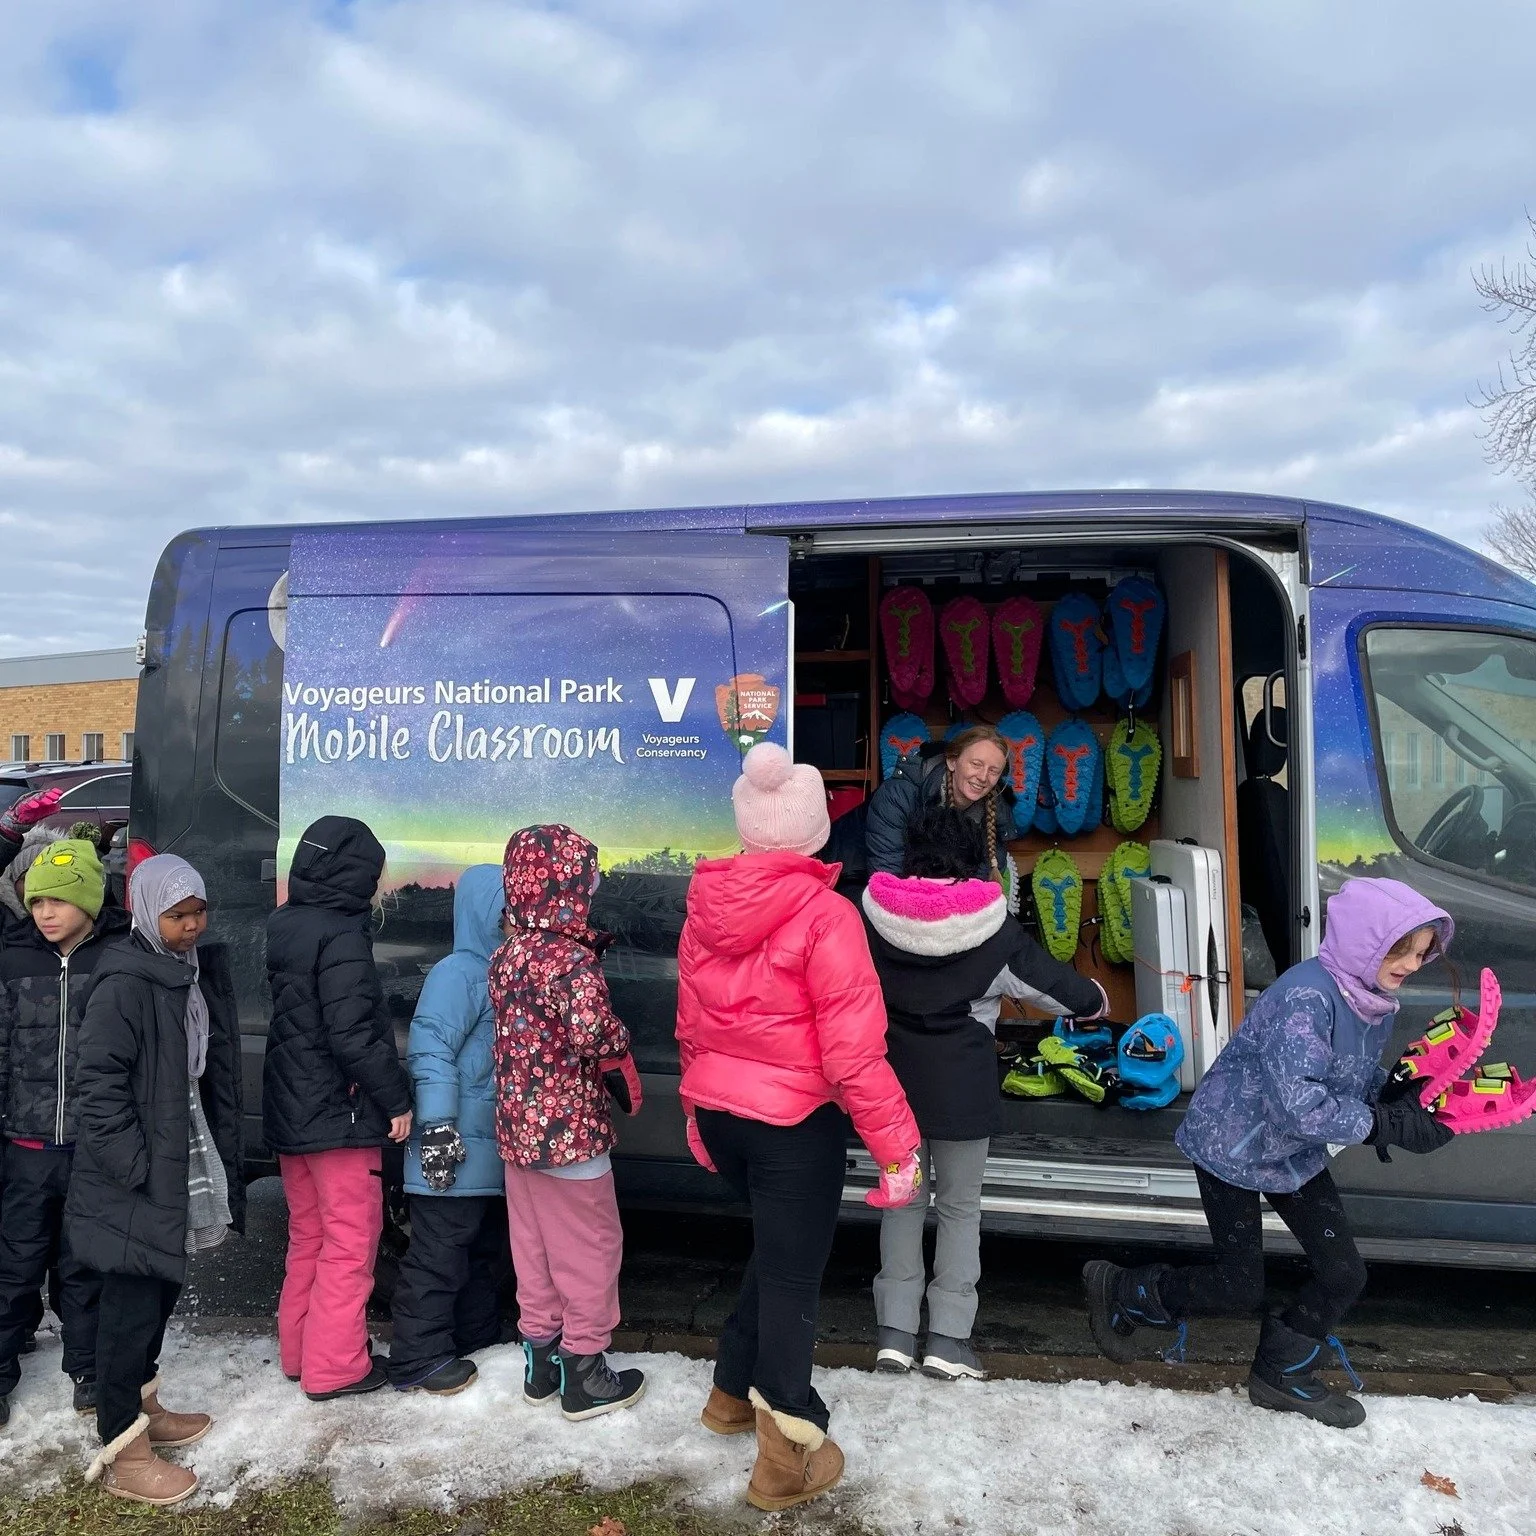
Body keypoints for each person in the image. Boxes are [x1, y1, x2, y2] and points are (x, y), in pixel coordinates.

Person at [1082, 877, 1456, 1429]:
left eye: (1421, 953)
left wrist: (1400, 1096)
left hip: (1289, 1153)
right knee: (1239, 1285)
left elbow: (1340, 1074)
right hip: (1232, 1143)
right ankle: (1127, 1291)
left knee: (1343, 1273)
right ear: (1364, 941)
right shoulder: (1306, 998)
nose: (1411, 963)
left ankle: (1282, 1373)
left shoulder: (1369, 997)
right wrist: (1381, 1126)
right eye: (1400, 949)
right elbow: (1299, 1105)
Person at [676, 742, 921, 1514]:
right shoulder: (828, 915)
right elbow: (853, 1056)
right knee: (791, 1276)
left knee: (775, 1256)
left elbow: (690, 1026)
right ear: (815, 830)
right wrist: (898, 1150)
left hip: (723, 1116)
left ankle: (727, 1394)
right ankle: (789, 1454)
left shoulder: (702, 906)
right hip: (792, 1126)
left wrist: (693, 1115)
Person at [861, 807, 1108, 1382]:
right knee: (958, 1209)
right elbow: (1062, 991)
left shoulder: (871, 919)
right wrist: (1095, 998)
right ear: (974, 860)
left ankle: (895, 1335)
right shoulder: (990, 927)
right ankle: (948, 1339)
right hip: (964, 1092)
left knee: (901, 1201)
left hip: (890, 1087)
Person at [65, 854, 243, 1505]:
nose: (192, 925)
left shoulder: (180, 972)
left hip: (173, 1155)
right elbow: (98, 1082)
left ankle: (146, 1409)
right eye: (178, 915)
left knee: (160, 1293)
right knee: (128, 1309)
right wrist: (135, 1167)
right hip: (135, 1173)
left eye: (199, 912)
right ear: (146, 913)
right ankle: (123, 1451)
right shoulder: (126, 983)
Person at [489, 824, 645, 1424]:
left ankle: (541, 1360)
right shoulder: (571, 960)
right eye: (587, 881)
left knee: (534, 1247)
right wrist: (620, 1048)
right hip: (571, 1134)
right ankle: (586, 1370)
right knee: (590, 1247)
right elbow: (592, 1033)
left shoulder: (506, 956)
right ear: (566, 888)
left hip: (518, 1136)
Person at [262, 816, 412, 1402]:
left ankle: (300, 1351)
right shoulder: (343, 936)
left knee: (309, 1236)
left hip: (293, 1110)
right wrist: (394, 1098)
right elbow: (353, 1035)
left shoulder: (287, 924)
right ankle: (337, 1365)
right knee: (351, 1241)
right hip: (340, 1115)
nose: (376, 889)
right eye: (372, 877)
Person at [0, 839, 130, 1426]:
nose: (45, 913)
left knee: (85, 1266)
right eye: (36, 902)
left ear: (90, 900)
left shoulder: (116, 959)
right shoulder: (13, 960)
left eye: (58, 900)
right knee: (15, 1265)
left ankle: (88, 1373)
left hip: (90, 1145)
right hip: (26, 1147)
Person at [387, 864, 510, 1395]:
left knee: (483, 1251)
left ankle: (475, 1340)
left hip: (491, 1149)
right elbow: (431, 1050)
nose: (515, 925)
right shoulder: (459, 973)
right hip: (452, 1145)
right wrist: (437, 1126)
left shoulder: (506, 972)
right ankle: (418, 1355)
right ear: (484, 915)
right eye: (506, 915)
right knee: (437, 1256)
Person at [865, 726, 1017, 881]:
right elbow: (887, 876)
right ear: (952, 761)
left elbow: (980, 883)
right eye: (976, 764)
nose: (983, 777)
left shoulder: (994, 814)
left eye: (993, 771)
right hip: (855, 875)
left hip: (932, 893)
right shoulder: (899, 794)